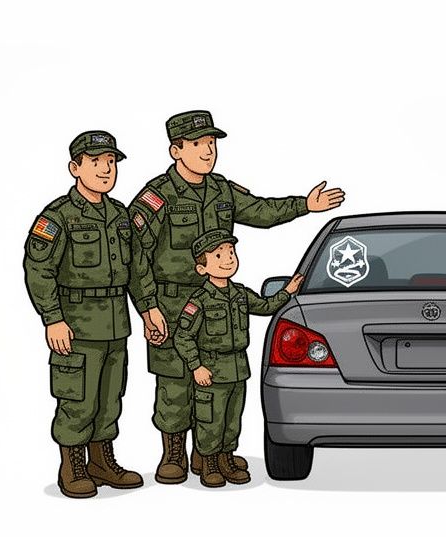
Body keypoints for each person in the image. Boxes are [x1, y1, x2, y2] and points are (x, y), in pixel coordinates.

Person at [127, 110, 344, 484]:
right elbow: (133, 254)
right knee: (175, 382)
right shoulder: (157, 196)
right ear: (176, 150)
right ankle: (174, 452)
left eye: (211, 143)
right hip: (172, 302)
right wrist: (148, 308)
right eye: (198, 144)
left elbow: (260, 210)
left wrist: (304, 205)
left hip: (219, 302)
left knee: (223, 383)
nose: (208, 151)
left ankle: (212, 454)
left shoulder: (222, 190)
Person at [24, 130, 146, 498]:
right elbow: (38, 269)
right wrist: (52, 318)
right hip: (75, 325)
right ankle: (72, 466)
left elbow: (137, 269)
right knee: (77, 399)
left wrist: (149, 309)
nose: (106, 170)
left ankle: (102, 461)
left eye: (111, 162)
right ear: (75, 168)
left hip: (115, 323)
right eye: (96, 162)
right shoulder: (57, 217)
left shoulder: (120, 215)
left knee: (110, 398)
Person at [173, 230, 303, 487]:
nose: (228, 259)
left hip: (237, 369)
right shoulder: (199, 301)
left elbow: (265, 307)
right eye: (219, 255)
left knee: (232, 419)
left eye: (231, 253)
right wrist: (196, 366)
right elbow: (182, 337)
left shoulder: (240, 294)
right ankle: (209, 463)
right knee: (211, 419)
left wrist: (287, 291)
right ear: (201, 268)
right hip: (211, 370)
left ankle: (226, 458)